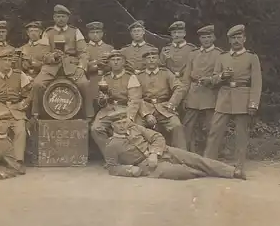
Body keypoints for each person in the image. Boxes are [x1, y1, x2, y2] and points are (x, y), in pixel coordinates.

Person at [102, 111, 246, 180]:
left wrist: (154, 153)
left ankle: (232, 172)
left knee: (195, 159)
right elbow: (112, 167)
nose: (122, 126)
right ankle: (210, 173)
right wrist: (130, 170)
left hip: (163, 152)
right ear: (112, 126)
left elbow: (157, 136)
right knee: (183, 172)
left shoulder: (135, 128)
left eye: (124, 122)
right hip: (147, 166)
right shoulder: (111, 145)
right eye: (118, 124)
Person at [204, 24, 262, 171]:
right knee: (214, 131)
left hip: (243, 97)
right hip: (224, 97)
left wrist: (253, 103)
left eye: (239, 37)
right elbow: (213, 79)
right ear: (229, 41)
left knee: (241, 135)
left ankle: (239, 166)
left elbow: (257, 82)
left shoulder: (251, 57)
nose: (236, 40)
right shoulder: (222, 57)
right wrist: (222, 76)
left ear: (244, 39)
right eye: (233, 38)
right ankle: (207, 164)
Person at [31, 4, 94, 121]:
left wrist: (81, 67)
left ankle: (89, 116)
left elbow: (84, 52)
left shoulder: (75, 31)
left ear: (68, 18)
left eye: (63, 16)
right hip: (51, 66)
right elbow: (43, 54)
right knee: (37, 84)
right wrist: (52, 57)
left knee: (84, 83)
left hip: (71, 65)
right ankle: (36, 114)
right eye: (58, 16)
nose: (60, 19)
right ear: (54, 18)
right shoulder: (48, 32)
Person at [0, 48, 32, 164]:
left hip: (16, 110)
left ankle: (17, 161)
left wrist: (23, 104)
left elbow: (29, 93)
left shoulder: (20, 75)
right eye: (4, 60)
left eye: (9, 60)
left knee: (21, 130)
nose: (7, 63)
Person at [135, 47, 188, 150]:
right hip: (145, 108)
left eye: (154, 57)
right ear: (144, 61)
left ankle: (182, 155)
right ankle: (141, 154)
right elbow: (135, 96)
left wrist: (172, 103)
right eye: (148, 58)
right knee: (136, 127)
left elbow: (179, 87)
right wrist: (146, 114)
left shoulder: (166, 73)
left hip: (164, 108)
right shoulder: (138, 76)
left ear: (158, 59)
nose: (151, 60)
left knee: (176, 126)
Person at [90, 50, 141, 155]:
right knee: (96, 128)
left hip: (125, 108)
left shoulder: (131, 77)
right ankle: (110, 156)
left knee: (128, 128)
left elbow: (134, 100)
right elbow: (101, 102)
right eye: (113, 60)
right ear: (109, 63)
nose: (116, 62)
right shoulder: (106, 77)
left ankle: (127, 156)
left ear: (123, 62)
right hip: (109, 108)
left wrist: (130, 117)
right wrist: (102, 100)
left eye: (118, 60)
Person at [182, 25, 223, 153]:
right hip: (193, 92)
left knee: (211, 126)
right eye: (203, 37)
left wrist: (211, 80)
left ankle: (211, 154)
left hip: (210, 92)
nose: (206, 40)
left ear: (214, 38)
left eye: (209, 37)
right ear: (200, 39)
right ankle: (187, 153)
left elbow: (222, 76)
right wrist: (184, 94)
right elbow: (186, 76)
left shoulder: (219, 54)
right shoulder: (193, 54)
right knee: (188, 125)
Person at [85, 21, 114, 103]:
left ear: (102, 33)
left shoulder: (109, 48)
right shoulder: (84, 48)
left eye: (97, 32)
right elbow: (82, 66)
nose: (95, 34)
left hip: (108, 79)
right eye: (92, 32)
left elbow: (115, 66)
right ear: (88, 34)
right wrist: (96, 63)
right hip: (90, 79)